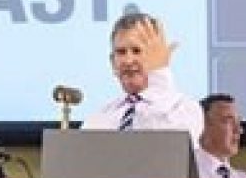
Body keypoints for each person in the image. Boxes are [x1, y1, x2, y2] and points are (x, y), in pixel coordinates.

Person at [81, 10, 204, 139]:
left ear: (157, 56)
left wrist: (159, 74)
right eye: (121, 52)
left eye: (137, 51)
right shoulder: (98, 119)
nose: (128, 61)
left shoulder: (185, 109)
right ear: (112, 62)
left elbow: (166, 143)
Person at [195, 93, 246, 178]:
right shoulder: (184, 175)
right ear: (203, 124)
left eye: (239, 122)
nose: (239, 130)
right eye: (228, 121)